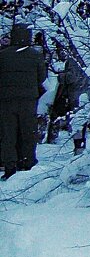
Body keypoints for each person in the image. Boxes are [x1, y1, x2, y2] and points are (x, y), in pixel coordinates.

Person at [0, 22, 48, 179]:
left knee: (8, 133)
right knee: (28, 131)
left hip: (6, 99)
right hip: (28, 99)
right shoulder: (35, 55)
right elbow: (41, 77)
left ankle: (9, 165)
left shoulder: (3, 55)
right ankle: (27, 162)